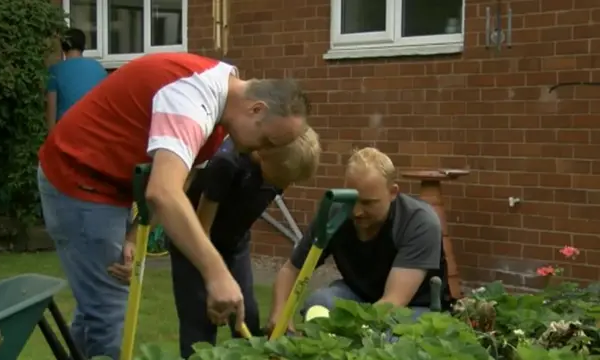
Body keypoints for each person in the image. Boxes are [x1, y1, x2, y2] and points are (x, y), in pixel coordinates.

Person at [37, 52, 310, 359]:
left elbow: (182, 177)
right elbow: (163, 192)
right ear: (256, 109)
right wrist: (216, 273)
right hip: (78, 181)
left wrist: (132, 235)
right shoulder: (193, 100)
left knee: (96, 307)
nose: (263, 151)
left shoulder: (222, 103)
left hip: (110, 188)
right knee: (109, 312)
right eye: (268, 141)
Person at [111, 129, 321, 358]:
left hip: (235, 245)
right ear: (264, 155)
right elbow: (202, 229)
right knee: (200, 321)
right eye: (283, 178)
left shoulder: (279, 170)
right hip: (194, 246)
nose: (286, 185)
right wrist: (214, 281)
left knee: (247, 316)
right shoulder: (226, 164)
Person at [267, 147, 448, 333]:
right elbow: (291, 269)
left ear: (393, 192)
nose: (356, 211)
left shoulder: (418, 222)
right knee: (319, 304)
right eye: (352, 199)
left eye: (368, 203)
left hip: (413, 307)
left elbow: (393, 302)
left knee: (389, 338)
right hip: (358, 296)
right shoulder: (334, 212)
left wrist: (350, 330)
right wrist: (279, 313)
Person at [45, 28, 107, 130]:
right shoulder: (99, 69)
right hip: (95, 130)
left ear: (62, 47)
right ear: (84, 47)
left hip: (67, 131)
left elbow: (51, 112)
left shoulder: (55, 71)